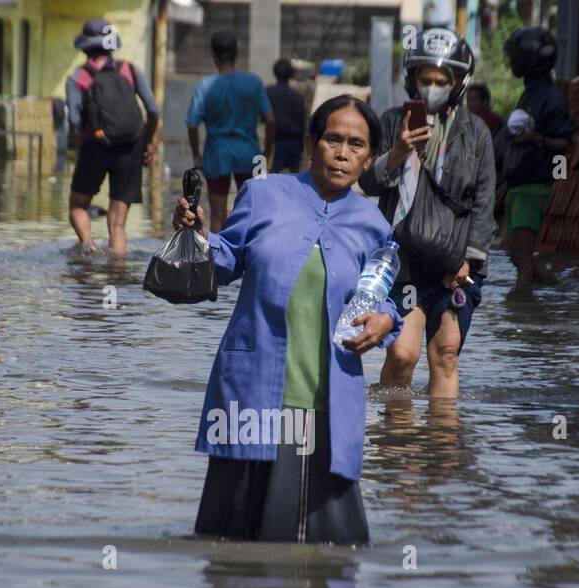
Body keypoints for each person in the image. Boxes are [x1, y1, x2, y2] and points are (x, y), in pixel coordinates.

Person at [174, 95, 402, 545]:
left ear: (369, 158)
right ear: (310, 142)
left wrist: (385, 322)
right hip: (252, 390)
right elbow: (224, 260)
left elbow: (387, 296)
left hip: (323, 399)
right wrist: (197, 233)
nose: (342, 152)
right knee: (231, 533)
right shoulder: (263, 194)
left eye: (356, 145)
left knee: (327, 543)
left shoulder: (372, 223)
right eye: (333, 139)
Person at [359, 28, 496, 398]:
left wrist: (469, 259)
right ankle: (396, 442)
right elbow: (369, 182)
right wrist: (400, 152)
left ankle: (442, 446)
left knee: (445, 354)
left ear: (457, 84)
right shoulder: (391, 122)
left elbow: (484, 201)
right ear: (412, 80)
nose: (432, 87)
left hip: (456, 266)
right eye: (425, 80)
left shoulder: (477, 132)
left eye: (441, 81)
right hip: (402, 262)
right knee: (402, 354)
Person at [66, 18, 162, 256]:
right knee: (118, 224)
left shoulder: (78, 77)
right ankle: (117, 273)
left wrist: (82, 149)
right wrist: (148, 142)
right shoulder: (130, 70)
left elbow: (76, 123)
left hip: (95, 145)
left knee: (78, 205)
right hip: (131, 145)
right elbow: (153, 110)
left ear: (85, 47)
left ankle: (88, 248)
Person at [501, 25, 574, 292]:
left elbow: (565, 143)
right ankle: (555, 285)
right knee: (517, 254)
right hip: (519, 183)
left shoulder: (552, 98)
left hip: (533, 186)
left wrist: (537, 138)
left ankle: (520, 306)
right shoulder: (531, 93)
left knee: (521, 257)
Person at [186, 31, 275, 233]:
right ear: (237, 52)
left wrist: (196, 155)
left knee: (218, 216)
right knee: (255, 212)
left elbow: (192, 124)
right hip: (252, 154)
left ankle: (220, 261)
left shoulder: (205, 85)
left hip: (216, 155)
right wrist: (266, 153)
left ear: (214, 55)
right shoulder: (254, 82)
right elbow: (271, 120)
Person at [267, 57, 307, 173]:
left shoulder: (269, 92)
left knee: (273, 175)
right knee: (295, 176)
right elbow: (302, 122)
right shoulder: (298, 97)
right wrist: (301, 146)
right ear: (291, 74)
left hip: (277, 141)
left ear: (275, 72)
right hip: (294, 141)